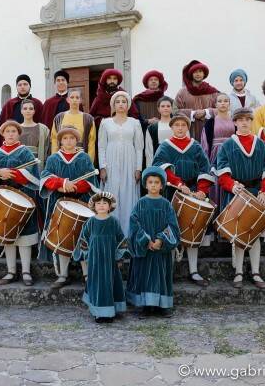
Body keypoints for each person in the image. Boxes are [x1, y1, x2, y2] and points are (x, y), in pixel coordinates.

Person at [214, 107, 265, 289]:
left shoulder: (260, 144)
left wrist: (264, 191)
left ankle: (256, 272)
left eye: (248, 119)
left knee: (255, 233)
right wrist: (233, 186)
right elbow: (222, 173)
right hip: (237, 193)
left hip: (257, 192)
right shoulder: (227, 145)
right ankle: (239, 272)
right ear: (234, 122)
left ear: (251, 122)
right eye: (240, 119)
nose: (244, 123)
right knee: (240, 233)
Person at [152, 114, 215, 287]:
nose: (180, 128)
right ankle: (169, 270)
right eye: (177, 125)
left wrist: (202, 190)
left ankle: (193, 271)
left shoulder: (195, 146)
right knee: (170, 229)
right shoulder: (165, 146)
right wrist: (179, 184)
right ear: (171, 127)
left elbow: (205, 167)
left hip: (194, 191)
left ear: (187, 127)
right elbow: (159, 167)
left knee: (192, 228)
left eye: (183, 125)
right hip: (172, 192)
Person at [0, 120, 41, 286]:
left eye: (13, 131)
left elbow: (34, 176)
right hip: (3, 201)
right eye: (7, 131)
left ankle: (27, 272)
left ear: (18, 134)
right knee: (6, 234)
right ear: (3, 134)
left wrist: (16, 174)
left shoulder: (25, 153)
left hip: (23, 198)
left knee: (23, 236)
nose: (10, 134)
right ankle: (11, 271)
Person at [40, 126, 100, 289]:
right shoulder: (53, 159)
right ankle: (62, 275)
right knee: (62, 234)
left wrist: (76, 187)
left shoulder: (84, 158)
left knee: (83, 236)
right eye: (65, 138)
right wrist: (61, 185)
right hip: (58, 202)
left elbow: (91, 181)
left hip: (82, 201)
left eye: (72, 138)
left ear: (77, 140)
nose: (69, 141)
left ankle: (87, 274)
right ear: (60, 140)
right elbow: (46, 177)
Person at [126, 167, 180, 317]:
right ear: (145, 184)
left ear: (162, 185)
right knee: (144, 275)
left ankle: (162, 306)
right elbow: (133, 223)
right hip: (146, 248)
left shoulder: (166, 205)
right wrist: (146, 240)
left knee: (161, 275)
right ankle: (145, 306)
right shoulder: (140, 203)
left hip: (160, 249)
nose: (154, 185)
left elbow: (173, 226)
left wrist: (161, 240)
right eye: (150, 182)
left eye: (157, 182)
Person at [73, 192, 129, 323]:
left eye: (105, 203)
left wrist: (118, 257)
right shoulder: (90, 222)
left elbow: (122, 240)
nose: (102, 205)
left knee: (110, 283)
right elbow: (83, 240)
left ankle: (110, 312)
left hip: (110, 260)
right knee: (98, 285)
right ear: (94, 206)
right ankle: (99, 312)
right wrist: (88, 256)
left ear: (110, 206)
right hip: (95, 261)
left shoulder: (113, 221)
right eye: (98, 203)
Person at [98, 91, 143, 235]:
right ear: (113, 105)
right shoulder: (106, 123)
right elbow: (102, 146)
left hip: (130, 162)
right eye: (118, 102)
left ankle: (127, 234)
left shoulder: (135, 123)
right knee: (112, 194)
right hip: (111, 162)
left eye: (124, 101)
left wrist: (138, 168)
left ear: (128, 105)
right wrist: (103, 167)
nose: (121, 104)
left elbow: (139, 147)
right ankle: (112, 233)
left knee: (128, 194)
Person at [200, 92, 235, 206]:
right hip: (215, 155)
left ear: (229, 104)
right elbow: (205, 143)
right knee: (216, 182)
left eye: (225, 101)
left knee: (230, 179)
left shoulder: (235, 121)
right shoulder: (210, 123)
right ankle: (216, 212)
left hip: (231, 154)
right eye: (220, 101)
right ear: (215, 104)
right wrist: (206, 162)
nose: (223, 103)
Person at [175, 60, 221, 139]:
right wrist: (192, 113)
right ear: (191, 74)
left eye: (200, 71)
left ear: (204, 74)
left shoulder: (213, 92)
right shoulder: (182, 92)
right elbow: (175, 110)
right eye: (195, 72)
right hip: (188, 132)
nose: (198, 74)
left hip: (210, 131)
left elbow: (222, 109)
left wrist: (206, 112)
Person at [0, 74, 44, 147]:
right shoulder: (9, 104)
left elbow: (41, 124)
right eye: (20, 85)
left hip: (32, 141)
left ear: (29, 86)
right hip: (13, 140)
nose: (22, 87)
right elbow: (3, 124)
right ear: (16, 87)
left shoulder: (37, 104)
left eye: (25, 84)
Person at [50, 88, 96, 164]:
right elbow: (54, 140)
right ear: (67, 100)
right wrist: (54, 159)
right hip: (62, 158)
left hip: (81, 158)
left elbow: (91, 142)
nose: (74, 100)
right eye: (72, 97)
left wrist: (89, 162)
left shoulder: (88, 119)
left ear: (81, 100)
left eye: (77, 97)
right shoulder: (59, 118)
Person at [19, 99, 51, 169]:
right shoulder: (16, 129)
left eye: (31, 109)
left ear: (34, 111)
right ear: (21, 111)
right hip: (20, 165)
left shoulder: (43, 129)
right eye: (25, 108)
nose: (28, 111)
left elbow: (47, 150)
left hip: (37, 165)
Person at [144, 96, 173, 166]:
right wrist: (150, 168)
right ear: (158, 109)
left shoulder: (179, 125)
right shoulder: (152, 128)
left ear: (172, 108)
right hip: (158, 163)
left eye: (168, 106)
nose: (165, 108)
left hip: (175, 161)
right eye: (162, 106)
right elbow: (149, 151)